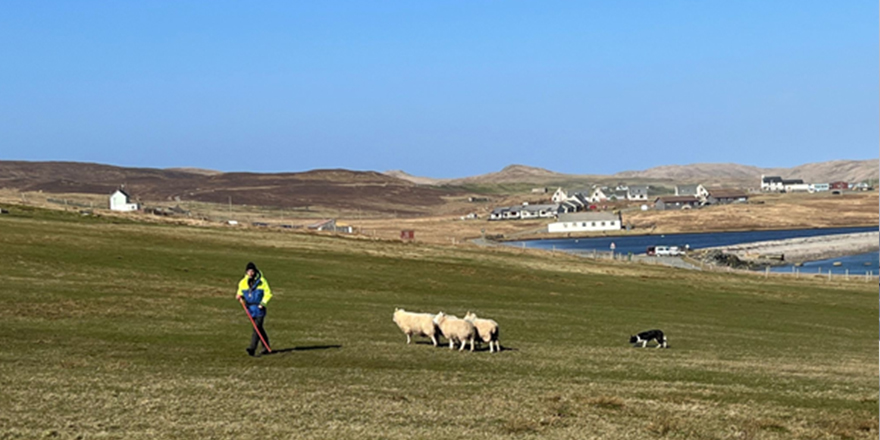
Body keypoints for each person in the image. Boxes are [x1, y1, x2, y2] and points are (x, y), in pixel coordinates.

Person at [236, 262, 273, 356]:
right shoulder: (243, 282)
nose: (250, 273)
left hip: (259, 308)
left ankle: (252, 348)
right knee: (259, 329)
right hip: (250, 309)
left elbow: (268, 293)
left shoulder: (262, 281)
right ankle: (266, 347)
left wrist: (263, 303)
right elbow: (240, 292)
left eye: (252, 271)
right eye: (249, 271)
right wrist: (239, 296)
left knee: (256, 328)